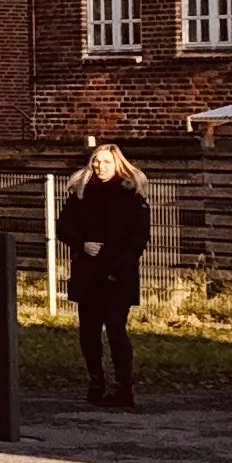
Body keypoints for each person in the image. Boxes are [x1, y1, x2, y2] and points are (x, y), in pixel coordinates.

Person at [62, 140, 151, 408]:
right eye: (97, 162)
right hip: (88, 271)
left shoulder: (130, 194)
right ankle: (96, 381)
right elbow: (63, 226)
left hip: (117, 274)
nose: (100, 166)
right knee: (88, 331)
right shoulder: (80, 193)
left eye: (106, 162)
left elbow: (139, 235)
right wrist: (82, 244)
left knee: (115, 328)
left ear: (117, 164)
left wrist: (120, 265)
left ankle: (124, 386)